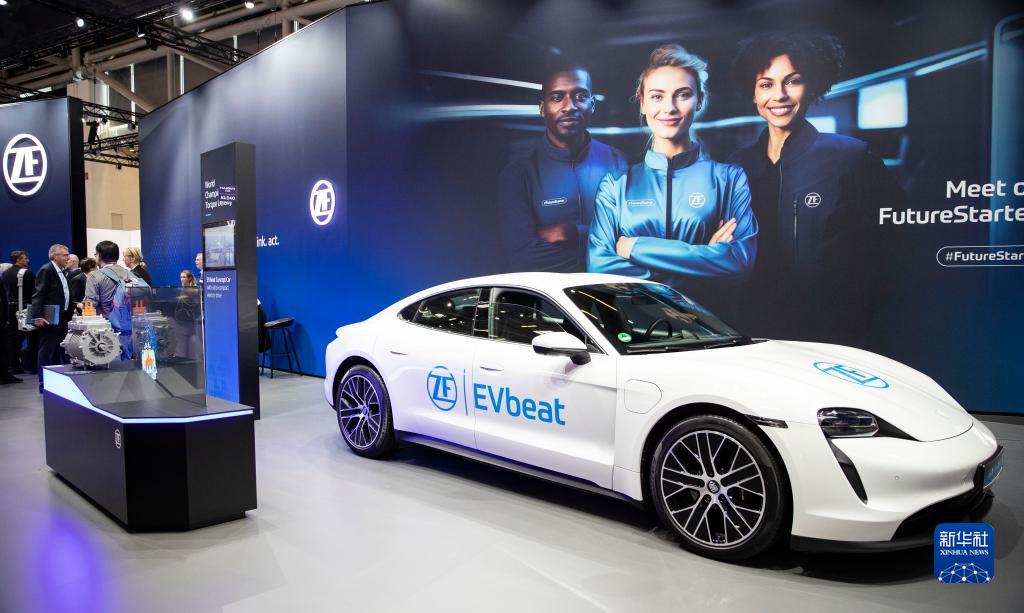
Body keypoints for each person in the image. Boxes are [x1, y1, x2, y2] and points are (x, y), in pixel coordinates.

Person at [728, 31, 902, 343]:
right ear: (753, 94)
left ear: (812, 86)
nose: (779, 95)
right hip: (755, 334)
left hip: (834, 335)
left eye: (792, 81)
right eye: (766, 84)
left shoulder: (850, 157)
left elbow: (894, 251)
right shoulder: (735, 167)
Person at [588, 44, 757, 307]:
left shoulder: (729, 179)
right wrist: (705, 261)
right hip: (634, 325)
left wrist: (637, 248)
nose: (669, 108)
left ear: (699, 100)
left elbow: (738, 263)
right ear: (642, 103)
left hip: (709, 325)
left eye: (683, 95)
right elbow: (600, 268)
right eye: (657, 96)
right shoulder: (615, 185)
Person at [497, 64, 627, 272]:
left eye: (580, 96)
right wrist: (606, 249)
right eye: (557, 97)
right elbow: (523, 259)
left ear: (593, 105)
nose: (569, 107)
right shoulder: (519, 173)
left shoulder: (618, 162)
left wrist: (570, 233)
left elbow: (634, 241)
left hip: (611, 290)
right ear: (542, 109)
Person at [85, 241, 146, 359]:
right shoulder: (130, 274)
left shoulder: (94, 276)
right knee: (128, 364)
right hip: (130, 328)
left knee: (110, 365)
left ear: (99, 256)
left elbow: (90, 303)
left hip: (106, 332)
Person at [30, 244, 73, 392]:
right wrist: (37, 316)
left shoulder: (63, 271)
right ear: (55, 256)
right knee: (47, 350)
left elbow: (64, 294)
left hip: (63, 316)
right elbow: (39, 294)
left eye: (68, 255)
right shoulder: (46, 270)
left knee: (61, 350)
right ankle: (44, 383)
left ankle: (58, 381)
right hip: (50, 316)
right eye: (65, 255)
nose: (68, 258)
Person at [3, 250, 38, 375]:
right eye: (25, 258)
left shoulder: (5, 273)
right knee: (32, 338)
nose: (28, 260)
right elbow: (35, 292)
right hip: (25, 308)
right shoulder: (27, 273)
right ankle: (32, 366)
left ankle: (14, 366)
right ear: (18, 260)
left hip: (11, 308)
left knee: (13, 339)